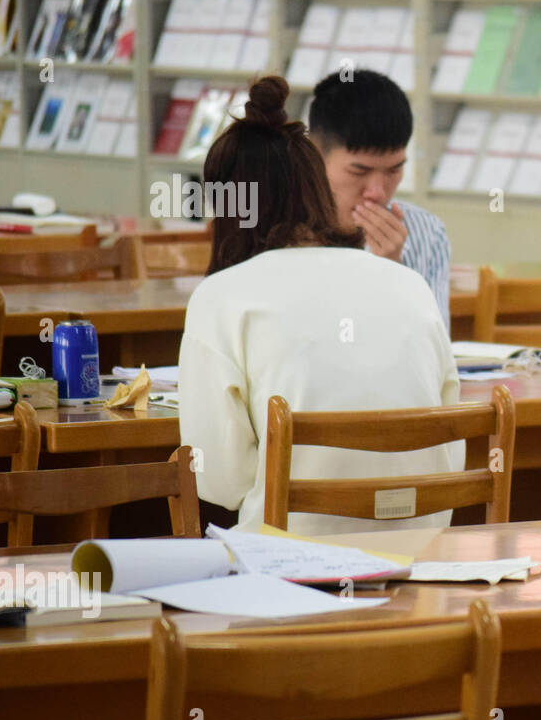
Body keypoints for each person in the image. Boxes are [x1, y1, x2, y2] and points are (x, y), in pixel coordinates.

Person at [179, 75, 462, 534]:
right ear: (319, 180)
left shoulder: (220, 296)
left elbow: (221, 481)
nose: (376, 191)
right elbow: (450, 449)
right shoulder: (410, 285)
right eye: (359, 173)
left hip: (290, 571)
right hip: (427, 565)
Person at [308, 69, 453, 323]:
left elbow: (432, 352)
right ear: (313, 156)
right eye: (359, 171)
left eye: (394, 170)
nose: (377, 192)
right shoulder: (274, 230)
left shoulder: (426, 234)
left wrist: (392, 274)